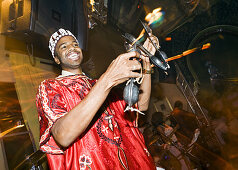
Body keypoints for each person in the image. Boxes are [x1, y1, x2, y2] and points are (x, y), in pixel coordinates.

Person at [36, 28, 157, 169]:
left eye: (75, 44)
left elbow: (141, 105)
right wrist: (108, 79)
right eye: (64, 46)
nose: (72, 48)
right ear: (56, 59)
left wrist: (146, 61)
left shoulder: (97, 85)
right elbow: (63, 135)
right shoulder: (52, 86)